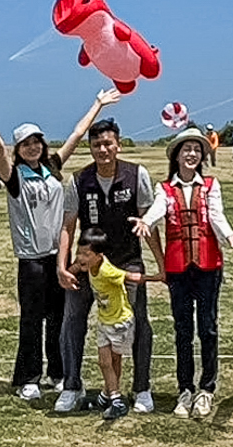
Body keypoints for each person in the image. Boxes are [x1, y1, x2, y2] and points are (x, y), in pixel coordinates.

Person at [0, 88, 119, 402]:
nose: (33, 147)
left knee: (59, 319)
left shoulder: (52, 168)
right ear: (19, 149)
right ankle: (29, 377)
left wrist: (97, 104)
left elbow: (77, 136)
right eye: (26, 144)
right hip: (31, 260)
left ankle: (58, 373)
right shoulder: (14, 176)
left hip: (58, 258)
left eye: (36, 141)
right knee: (31, 320)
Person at [134, 125, 233, 418]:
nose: (192, 154)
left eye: (197, 149)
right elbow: (158, 209)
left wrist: (229, 235)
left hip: (208, 265)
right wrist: (146, 221)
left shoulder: (211, 185)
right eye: (187, 149)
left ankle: (206, 389)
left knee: (207, 328)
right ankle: (184, 389)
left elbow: (217, 216)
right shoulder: (165, 188)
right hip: (178, 268)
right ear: (176, 155)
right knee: (182, 330)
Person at [55, 115, 161, 414]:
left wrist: (160, 265)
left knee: (139, 324)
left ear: (119, 144)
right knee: (72, 321)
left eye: (108, 144)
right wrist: (63, 266)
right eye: (97, 144)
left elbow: (147, 223)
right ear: (90, 147)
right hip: (87, 265)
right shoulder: (78, 180)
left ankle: (141, 388)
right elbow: (67, 226)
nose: (103, 150)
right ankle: (72, 386)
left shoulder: (136, 175)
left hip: (126, 263)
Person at [72, 227, 143, 422]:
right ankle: (112, 396)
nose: (81, 258)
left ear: (99, 255)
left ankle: (112, 397)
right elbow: (76, 267)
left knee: (114, 362)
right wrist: (66, 272)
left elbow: (130, 277)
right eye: (79, 252)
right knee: (105, 362)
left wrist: (157, 277)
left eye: (86, 254)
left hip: (120, 322)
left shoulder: (107, 270)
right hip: (104, 322)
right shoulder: (90, 266)